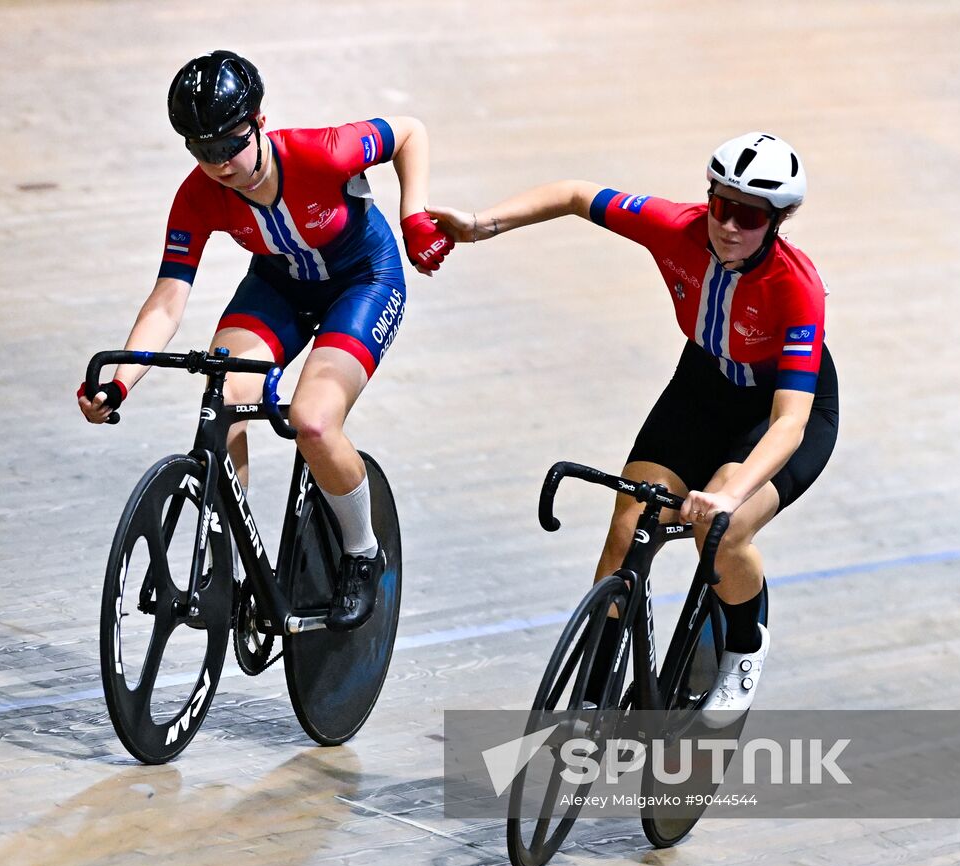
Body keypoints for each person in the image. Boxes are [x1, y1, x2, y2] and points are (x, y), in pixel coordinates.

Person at [428, 132, 838, 721]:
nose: (728, 226)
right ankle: (591, 698)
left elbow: (790, 421)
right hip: (704, 386)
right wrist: (480, 224)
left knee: (720, 530)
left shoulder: (796, 287)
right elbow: (576, 194)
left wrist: (728, 496)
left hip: (780, 408)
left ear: (778, 221)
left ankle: (746, 645)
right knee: (628, 525)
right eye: (721, 206)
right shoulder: (674, 227)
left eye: (748, 217)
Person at [79, 50, 453, 630]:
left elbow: (409, 132)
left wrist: (413, 217)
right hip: (279, 286)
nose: (220, 164)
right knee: (223, 396)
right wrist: (120, 384)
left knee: (313, 422)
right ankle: (230, 563)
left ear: (258, 121)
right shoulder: (198, 195)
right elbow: (168, 299)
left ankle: (362, 552)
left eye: (230, 145)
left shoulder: (323, 152)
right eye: (203, 151)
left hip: (363, 282)